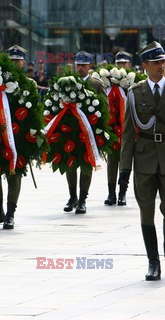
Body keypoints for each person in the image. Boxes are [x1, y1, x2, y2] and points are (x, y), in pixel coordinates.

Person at [121, 41, 165, 281]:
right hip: (145, 159)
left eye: (163, 61)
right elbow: (128, 133)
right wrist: (124, 169)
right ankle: (153, 262)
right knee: (146, 212)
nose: (161, 66)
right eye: (156, 62)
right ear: (145, 66)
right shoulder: (136, 93)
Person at [0, 44, 29, 229]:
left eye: (17, 61)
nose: (14, 64)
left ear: (23, 63)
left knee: (14, 174)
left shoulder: (28, 84)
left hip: (17, 137)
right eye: (11, 61)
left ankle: (10, 213)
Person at [63, 51, 107, 214]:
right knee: (70, 164)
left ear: (90, 66)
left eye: (83, 65)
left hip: (89, 131)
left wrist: (100, 129)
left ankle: (82, 200)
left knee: (87, 165)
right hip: (71, 131)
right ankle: (72, 196)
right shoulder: (68, 82)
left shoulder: (96, 83)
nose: (80, 68)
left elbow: (105, 107)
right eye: (78, 65)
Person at [104, 50, 134, 206]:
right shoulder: (109, 83)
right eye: (118, 63)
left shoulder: (133, 84)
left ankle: (122, 193)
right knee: (111, 162)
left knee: (125, 162)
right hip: (112, 129)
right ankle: (111, 194)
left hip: (127, 131)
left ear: (129, 64)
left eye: (124, 63)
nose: (121, 66)